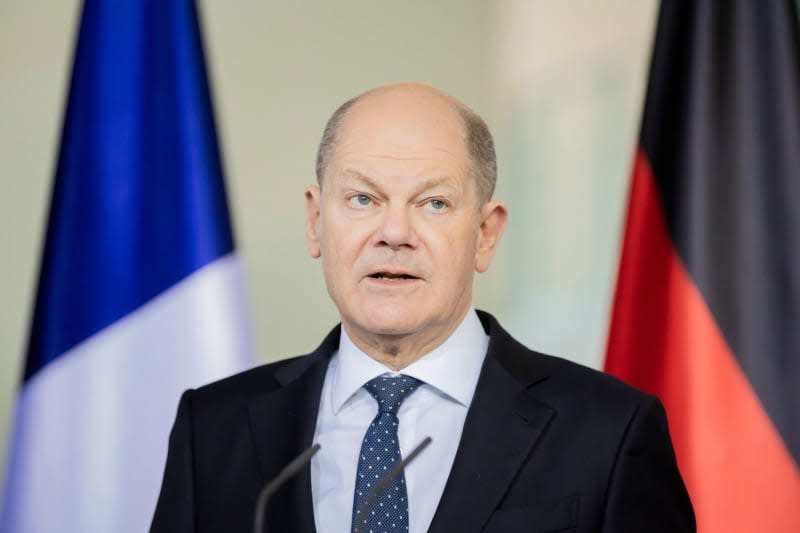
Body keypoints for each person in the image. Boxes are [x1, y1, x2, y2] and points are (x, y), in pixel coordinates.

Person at [150, 83, 695, 532]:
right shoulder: (213, 427)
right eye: (362, 199)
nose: (394, 233)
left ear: (485, 233)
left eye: (433, 203)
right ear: (316, 222)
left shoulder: (610, 431)